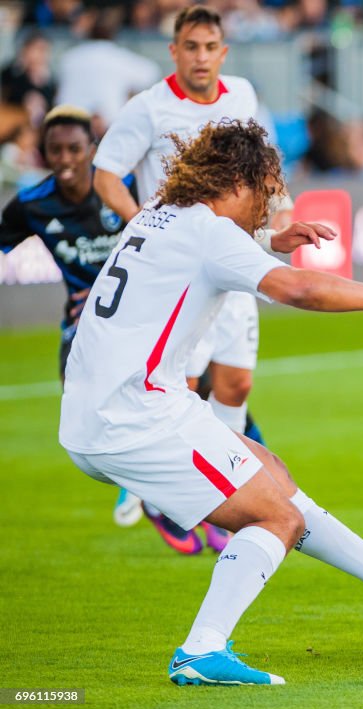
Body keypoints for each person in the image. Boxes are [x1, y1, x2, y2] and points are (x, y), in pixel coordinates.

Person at [58, 118, 363, 686]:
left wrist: (263, 241)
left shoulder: (161, 218)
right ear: (239, 181)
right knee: (274, 517)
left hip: (112, 405)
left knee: (271, 472)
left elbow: (197, 256)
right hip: (134, 416)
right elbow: (299, 288)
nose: (269, 206)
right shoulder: (210, 233)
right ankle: (201, 649)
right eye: (266, 191)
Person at [93, 5, 276, 551]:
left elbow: (262, 164)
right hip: (177, 275)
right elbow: (106, 175)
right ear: (174, 52)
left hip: (231, 256)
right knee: (182, 387)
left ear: (224, 52)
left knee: (236, 383)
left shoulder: (242, 95)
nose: (201, 57)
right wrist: (145, 229)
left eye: (209, 47)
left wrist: (277, 217)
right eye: (190, 47)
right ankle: (169, 497)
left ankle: (223, 500)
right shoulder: (149, 107)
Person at [0, 105, 143, 525]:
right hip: (83, 322)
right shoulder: (32, 203)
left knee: (201, 387)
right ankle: (138, 483)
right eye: (54, 150)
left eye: (74, 149)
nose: (64, 159)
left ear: (92, 150)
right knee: (80, 411)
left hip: (144, 313)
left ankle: (146, 483)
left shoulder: (125, 185)